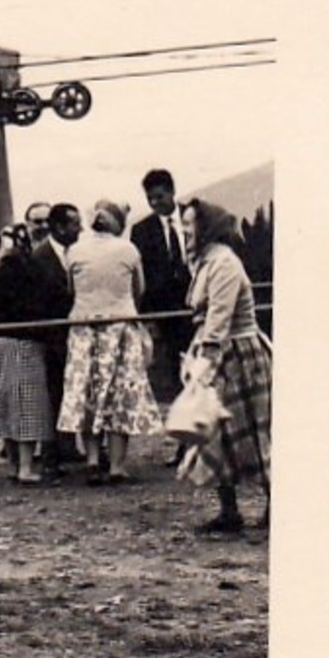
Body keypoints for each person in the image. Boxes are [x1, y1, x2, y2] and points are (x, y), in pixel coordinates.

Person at [178, 198, 271, 534]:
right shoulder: (204, 262)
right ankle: (228, 510)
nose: (185, 230)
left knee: (254, 430)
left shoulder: (224, 263)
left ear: (208, 228)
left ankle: (276, 504)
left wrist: (205, 359)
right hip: (215, 350)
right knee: (214, 430)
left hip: (237, 354)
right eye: (184, 224)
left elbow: (219, 316)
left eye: (190, 224)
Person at [55, 200, 162, 483]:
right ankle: (116, 465)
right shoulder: (128, 250)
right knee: (120, 395)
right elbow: (140, 289)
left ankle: (91, 458)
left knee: (89, 392)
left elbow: (70, 288)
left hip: (84, 327)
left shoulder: (75, 251)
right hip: (121, 326)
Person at [129, 170, 197, 465]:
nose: (156, 203)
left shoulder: (194, 218)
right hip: (168, 316)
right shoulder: (142, 231)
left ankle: (204, 444)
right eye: (150, 198)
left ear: (172, 192)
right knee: (177, 379)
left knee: (201, 376)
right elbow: (143, 278)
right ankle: (184, 445)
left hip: (196, 311)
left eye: (160, 196)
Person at [0, 223, 57, 484]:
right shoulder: (31, 269)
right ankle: (24, 466)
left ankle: (16, 465)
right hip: (24, 342)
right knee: (26, 406)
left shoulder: (3, 272)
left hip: (3, 341)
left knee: (7, 405)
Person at [26, 201, 83, 474]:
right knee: (51, 393)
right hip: (51, 335)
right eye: (75, 224)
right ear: (59, 227)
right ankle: (51, 454)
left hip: (73, 334)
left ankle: (69, 445)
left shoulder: (79, 254)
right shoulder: (40, 257)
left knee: (70, 390)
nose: (80, 228)